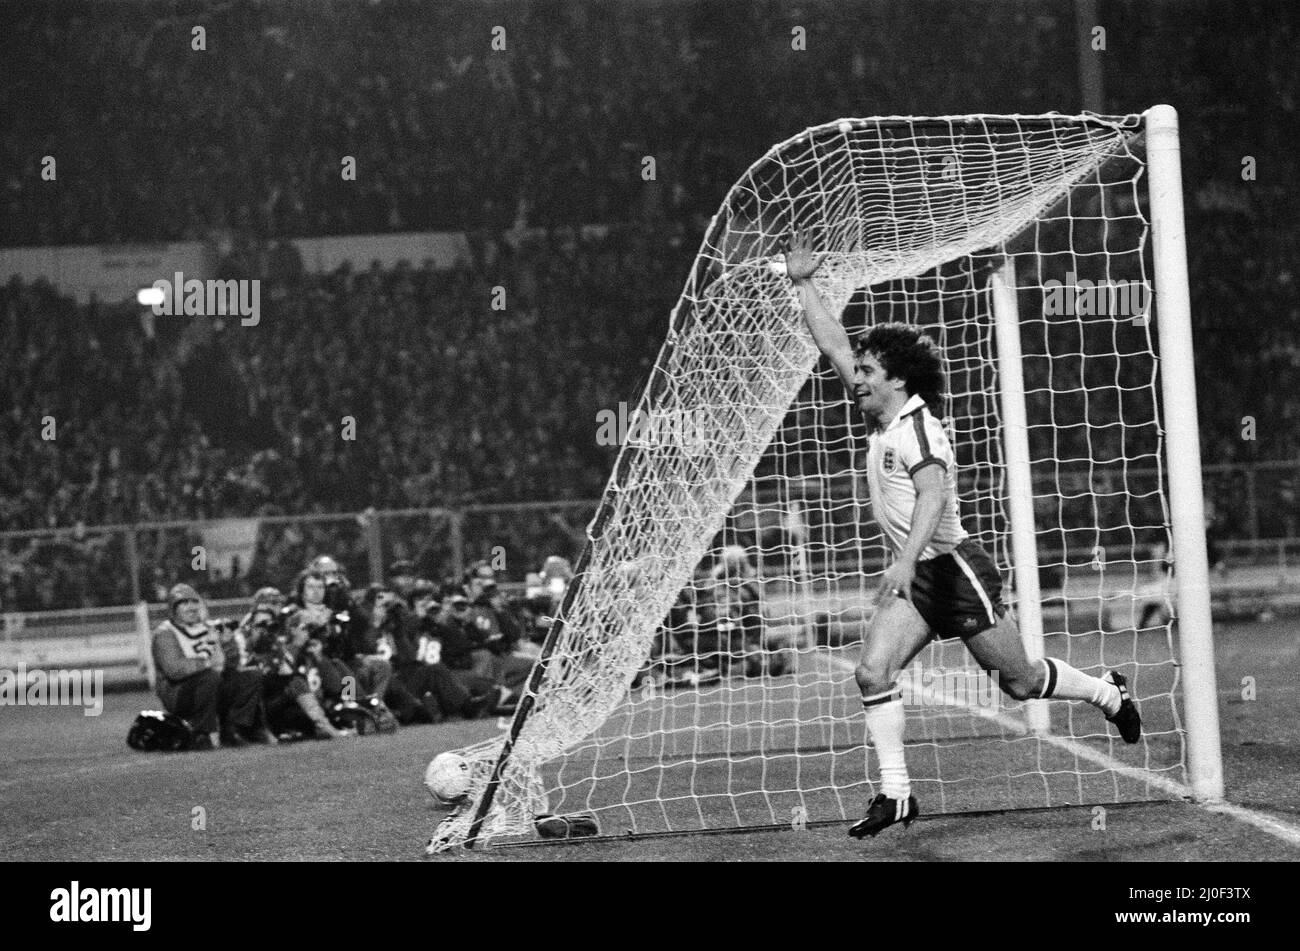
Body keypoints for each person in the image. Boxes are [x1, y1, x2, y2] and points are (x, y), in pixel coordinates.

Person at [785, 234, 1141, 838]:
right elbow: (836, 346)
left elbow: (933, 495)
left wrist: (901, 561)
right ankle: (896, 794)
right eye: (860, 371)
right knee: (872, 673)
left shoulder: (918, 428)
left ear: (896, 381)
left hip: (953, 568)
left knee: (1021, 682)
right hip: (917, 574)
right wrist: (804, 284)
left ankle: (1107, 694)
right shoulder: (883, 412)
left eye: (868, 372)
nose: (856, 378)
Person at [150, 583, 265, 749]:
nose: (191, 608)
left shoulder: (208, 628)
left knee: (251, 676)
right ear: (173, 609)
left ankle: (234, 729)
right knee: (209, 677)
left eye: (194, 602)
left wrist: (227, 645)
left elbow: (230, 666)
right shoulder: (165, 633)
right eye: (184, 603)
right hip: (177, 692)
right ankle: (202, 733)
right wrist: (208, 663)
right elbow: (175, 670)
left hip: (210, 684)